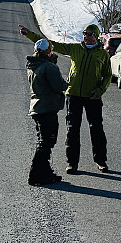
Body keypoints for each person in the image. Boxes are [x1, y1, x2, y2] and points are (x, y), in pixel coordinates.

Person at [19, 23, 111, 174]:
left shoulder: (102, 54)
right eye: (84, 33)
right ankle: (72, 163)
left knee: (97, 129)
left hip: (93, 97)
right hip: (73, 95)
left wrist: (100, 90)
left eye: (89, 34)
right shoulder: (75, 48)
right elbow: (50, 44)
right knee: (72, 129)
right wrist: (30, 34)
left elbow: (107, 75)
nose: (85, 37)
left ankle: (101, 161)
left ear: (96, 36)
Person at [26, 38, 68, 186]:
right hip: (47, 108)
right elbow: (58, 85)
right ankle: (35, 174)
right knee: (46, 142)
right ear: (48, 51)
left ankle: (45, 172)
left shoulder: (33, 64)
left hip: (37, 107)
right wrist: (68, 83)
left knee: (45, 141)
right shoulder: (49, 67)